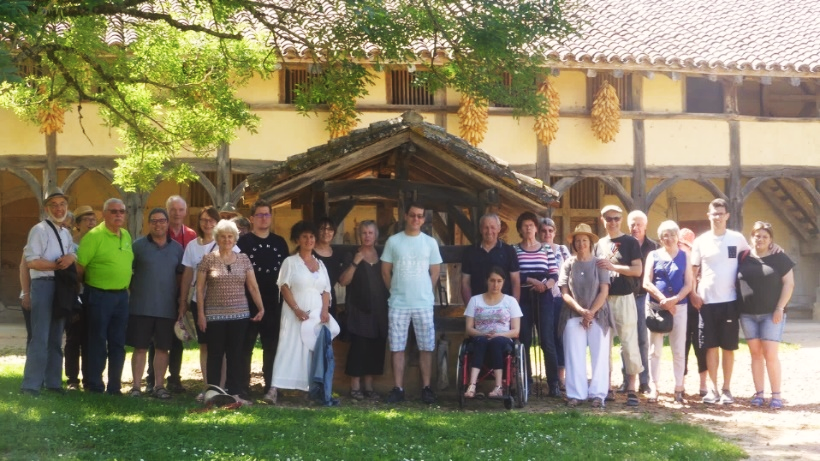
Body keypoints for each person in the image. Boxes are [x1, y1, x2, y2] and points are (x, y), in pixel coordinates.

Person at [381, 203, 443, 404]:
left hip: (423, 303)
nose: (416, 219)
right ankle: (398, 388)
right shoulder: (393, 241)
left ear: (423, 219)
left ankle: (426, 388)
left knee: (426, 346)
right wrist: (396, 290)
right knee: (397, 347)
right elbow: (385, 271)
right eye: (413, 215)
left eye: (420, 216)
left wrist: (425, 290)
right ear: (406, 216)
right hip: (398, 303)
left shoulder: (430, 243)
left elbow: (435, 272)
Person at [196, 220, 265, 402]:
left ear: (235, 239)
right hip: (214, 315)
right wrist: (201, 314)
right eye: (223, 236)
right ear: (217, 238)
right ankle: (213, 393)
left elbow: (253, 286)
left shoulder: (243, 259)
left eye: (230, 236)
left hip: (240, 315)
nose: (227, 240)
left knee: (236, 354)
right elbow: (200, 289)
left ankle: (235, 394)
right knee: (215, 354)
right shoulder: (208, 259)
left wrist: (260, 307)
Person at [690, 198, 750, 405]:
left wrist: (774, 247)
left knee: (728, 347)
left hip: (730, 301)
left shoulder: (737, 239)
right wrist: (693, 293)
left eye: (721, 213)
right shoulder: (700, 241)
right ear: (708, 216)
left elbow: (755, 256)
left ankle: (726, 389)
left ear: (727, 216)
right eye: (714, 213)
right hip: (706, 302)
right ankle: (713, 389)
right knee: (710, 347)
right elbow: (693, 271)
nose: (717, 217)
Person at [20, 187, 76, 396]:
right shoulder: (39, 230)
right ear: (46, 208)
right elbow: (32, 261)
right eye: (54, 205)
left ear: (67, 207)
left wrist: (72, 258)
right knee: (40, 337)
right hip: (43, 284)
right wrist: (59, 266)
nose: (59, 208)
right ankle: (31, 385)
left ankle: (53, 383)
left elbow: (70, 255)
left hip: (60, 286)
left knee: (56, 337)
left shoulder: (66, 232)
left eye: (62, 204)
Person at [269, 221, 332, 402]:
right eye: (304, 236)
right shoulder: (290, 262)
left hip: (316, 315)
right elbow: (284, 286)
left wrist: (325, 311)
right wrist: (297, 309)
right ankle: (275, 388)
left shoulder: (320, 264)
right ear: (297, 239)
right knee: (288, 346)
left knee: (309, 349)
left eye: (311, 236)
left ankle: (306, 388)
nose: (308, 240)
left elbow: (326, 290)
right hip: (294, 312)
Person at [76, 198, 134, 395]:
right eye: (113, 211)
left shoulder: (125, 235)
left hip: (121, 297)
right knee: (96, 342)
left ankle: (115, 387)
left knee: (118, 343)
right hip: (98, 295)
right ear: (104, 214)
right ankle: (94, 385)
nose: (118, 215)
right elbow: (79, 267)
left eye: (122, 211)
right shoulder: (94, 236)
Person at [126, 208, 184, 399]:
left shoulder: (177, 248)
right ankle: (136, 386)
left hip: (167, 308)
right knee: (140, 347)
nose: (158, 224)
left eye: (162, 221)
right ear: (148, 224)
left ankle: (159, 386)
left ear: (168, 223)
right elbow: (128, 274)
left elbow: (180, 277)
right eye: (154, 221)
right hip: (141, 306)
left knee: (162, 348)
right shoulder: (137, 246)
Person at [737, 221, 795, 409]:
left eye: (764, 236)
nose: (760, 239)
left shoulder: (780, 257)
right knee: (755, 354)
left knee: (770, 354)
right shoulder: (743, 257)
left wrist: (780, 307)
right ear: (751, 237)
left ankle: (776, 395)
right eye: (757, 235)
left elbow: (789, 284)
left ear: (771, 239)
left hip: (772, 314)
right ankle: (759, 394)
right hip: (747, 314)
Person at [237, 199, 289, 404]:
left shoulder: (280, 242)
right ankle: (242, 387)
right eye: (259, 214)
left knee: (272, 347)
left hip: (274, 304)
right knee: (244, 347)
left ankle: (271, 387)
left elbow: (286, 274)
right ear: (252, 218)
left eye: (267, 214)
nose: (264, 218)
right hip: (247, 303)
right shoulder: (243, 243)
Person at [593, 205, 643, 406]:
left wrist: (614, 267)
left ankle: (631, 387)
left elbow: (637, 270)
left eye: (616, 218)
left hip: (624, 297)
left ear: (621, 220)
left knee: (629, 343)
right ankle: (606, 386)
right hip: (603, 299)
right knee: (604, 344)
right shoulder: (599, 244)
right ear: (602, 219)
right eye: (608, 218)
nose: (612, 222)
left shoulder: (630, 242)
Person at [179, 206, 231, 400]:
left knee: (221, 346)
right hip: (198, 301)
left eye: (211, 220)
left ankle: (222, 388)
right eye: (204, 220)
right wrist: (182, 300)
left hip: (221, 302)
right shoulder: (192, 245)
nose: (207, 224)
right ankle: (207, 386)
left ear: (217, 223)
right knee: (205, 346)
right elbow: (187, 274)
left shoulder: (225, 243)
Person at [558, 223, 611, 408]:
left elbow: (604, 291)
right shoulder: (568, 263)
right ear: (574, 243)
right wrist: (581, 311)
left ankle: (598, 394)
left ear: (590, 242)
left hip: (598, 314)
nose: (581, 244)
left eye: (585, 240)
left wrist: (591, 312)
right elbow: (564, 292)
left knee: (600, 355)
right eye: (578, 240)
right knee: (573, 354)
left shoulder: (600, 263)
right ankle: (576, 394)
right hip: (573, 313)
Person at [146, 195, 195, 394]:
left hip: (181, 292)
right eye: (172, 210)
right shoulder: (160, 233)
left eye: (180, 210)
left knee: (177, 335)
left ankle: (174, 378)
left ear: (185, 212)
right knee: (155, 338)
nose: (177, 213)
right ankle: (151, 378)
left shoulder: (191, 235)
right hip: (160, 292)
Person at [338, 220, 389, 400]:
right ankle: (355, 387)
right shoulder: (352, 254)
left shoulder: (383, 255)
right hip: (359, 309)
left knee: (376, 346)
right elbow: (344, 281)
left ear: (376, 236)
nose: (367, 236)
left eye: (370, 233)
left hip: (380, 310)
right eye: (364, 233)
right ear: (360, 235)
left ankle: (369, 387)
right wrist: (355, 262)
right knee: (359, 347)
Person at [642, 220, 693, 404]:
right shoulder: (653, 255)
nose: (669, 238)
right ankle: (654, 386)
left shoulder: (685, 256)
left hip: (679, 307)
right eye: (665, 235)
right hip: (657, 308)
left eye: (672, 234)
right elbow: (646, 282)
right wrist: (662, 300)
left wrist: (675, 300)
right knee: (654, 349)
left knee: (678, 349)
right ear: (660, 238)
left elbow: (689, 284)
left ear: (677, 237)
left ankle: (679, 387)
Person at [514, 211, 561, 397]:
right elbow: (515, 274)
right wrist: (534, 281)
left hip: (545, 298)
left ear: (535, 228)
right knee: (524, 340)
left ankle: (553, 383)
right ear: (519, 229)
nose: (528, 228)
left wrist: (546, 285)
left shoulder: (546, 249)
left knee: (547, 341)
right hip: (524, 297)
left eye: (531, 225)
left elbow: (554, 273)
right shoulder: (514, 250)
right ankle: (526, 381)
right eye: (524, 226)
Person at [463, 267, 523, 399]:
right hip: (480, 336)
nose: (495, 284)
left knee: (496, 342)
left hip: (503, 338)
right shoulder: (475, 300)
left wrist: (498, 335)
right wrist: (481, 334)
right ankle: (472, 385)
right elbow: (468, 328)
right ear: (487, 281)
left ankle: (498, 387)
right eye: (492, 281)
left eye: (499, 281)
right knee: (480, 341)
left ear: (503, 282)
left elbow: (516, 331)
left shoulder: (510, 301)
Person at [626, 210, 658, 395]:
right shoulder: (621, 244)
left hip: (643, 297)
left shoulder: (653, 247)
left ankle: (644, 381)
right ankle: (625, 380)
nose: (635, 228)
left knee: (642, 340)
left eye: (639, 224)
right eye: (632, 224)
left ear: (645, 226)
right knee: (625, 340)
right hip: (624, 296)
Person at [539, 217, 571, 390]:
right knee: (547, 338)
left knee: (560, 336)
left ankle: (561, 377)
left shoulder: (562, 249)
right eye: (544, 231)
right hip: (543, 298)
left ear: (555, 232)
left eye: (550, 231)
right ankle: (550, 374)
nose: (547, 234)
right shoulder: (536, 249)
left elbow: (570, 269)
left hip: (559, 298)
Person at [460, 213, 520, 303]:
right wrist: (470, 308)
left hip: (503, 306)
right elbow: (465, 283)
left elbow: (515, 281)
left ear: (499, 229)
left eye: (493, 227)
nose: (489, 231)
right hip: (478, 305)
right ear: (480, 229)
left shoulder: (509, 251)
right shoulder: (470, 252)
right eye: (486, 227)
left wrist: (514, 307)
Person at [679, 228, 708, 397]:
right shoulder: (677, 261)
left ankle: (703, 384)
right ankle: (680, 383)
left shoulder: (700, 263)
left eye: (685, 245)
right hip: (682, 306)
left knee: (701, 344)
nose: (682, 248)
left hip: (698, 308)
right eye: (680, 244)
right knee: (682, 344)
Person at [314, 217, 345, 318]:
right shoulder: (309, 253)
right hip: (312, 300)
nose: (326, 232)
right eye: (322, 228)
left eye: (330, 229)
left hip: (330, 301)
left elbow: (341, 280)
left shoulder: (336, 254)